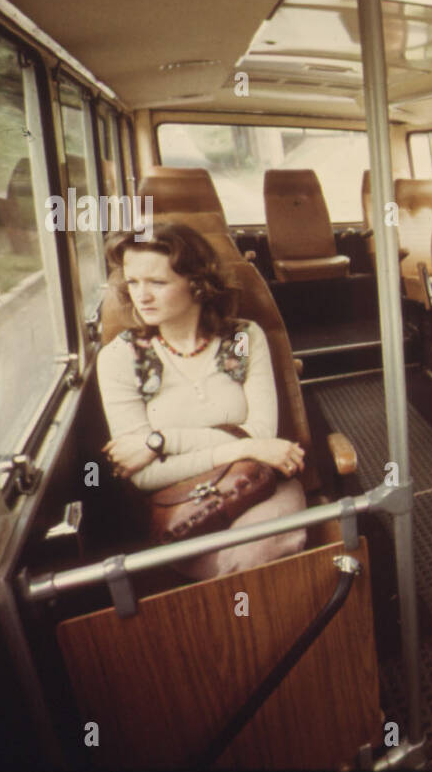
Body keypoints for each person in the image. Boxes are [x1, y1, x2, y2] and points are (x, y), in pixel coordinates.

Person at [98, 222, 307, 580]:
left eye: (157, 283)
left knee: (253, 553)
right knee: (232, 572)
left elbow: (259, 431)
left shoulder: (243, 339)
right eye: (133, 282)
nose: (141, 296)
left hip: (260, 483)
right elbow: (146, 475)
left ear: (197, 283)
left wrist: (160, 442)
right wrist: (242, 449)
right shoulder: (120, 358)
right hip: (181, 503)